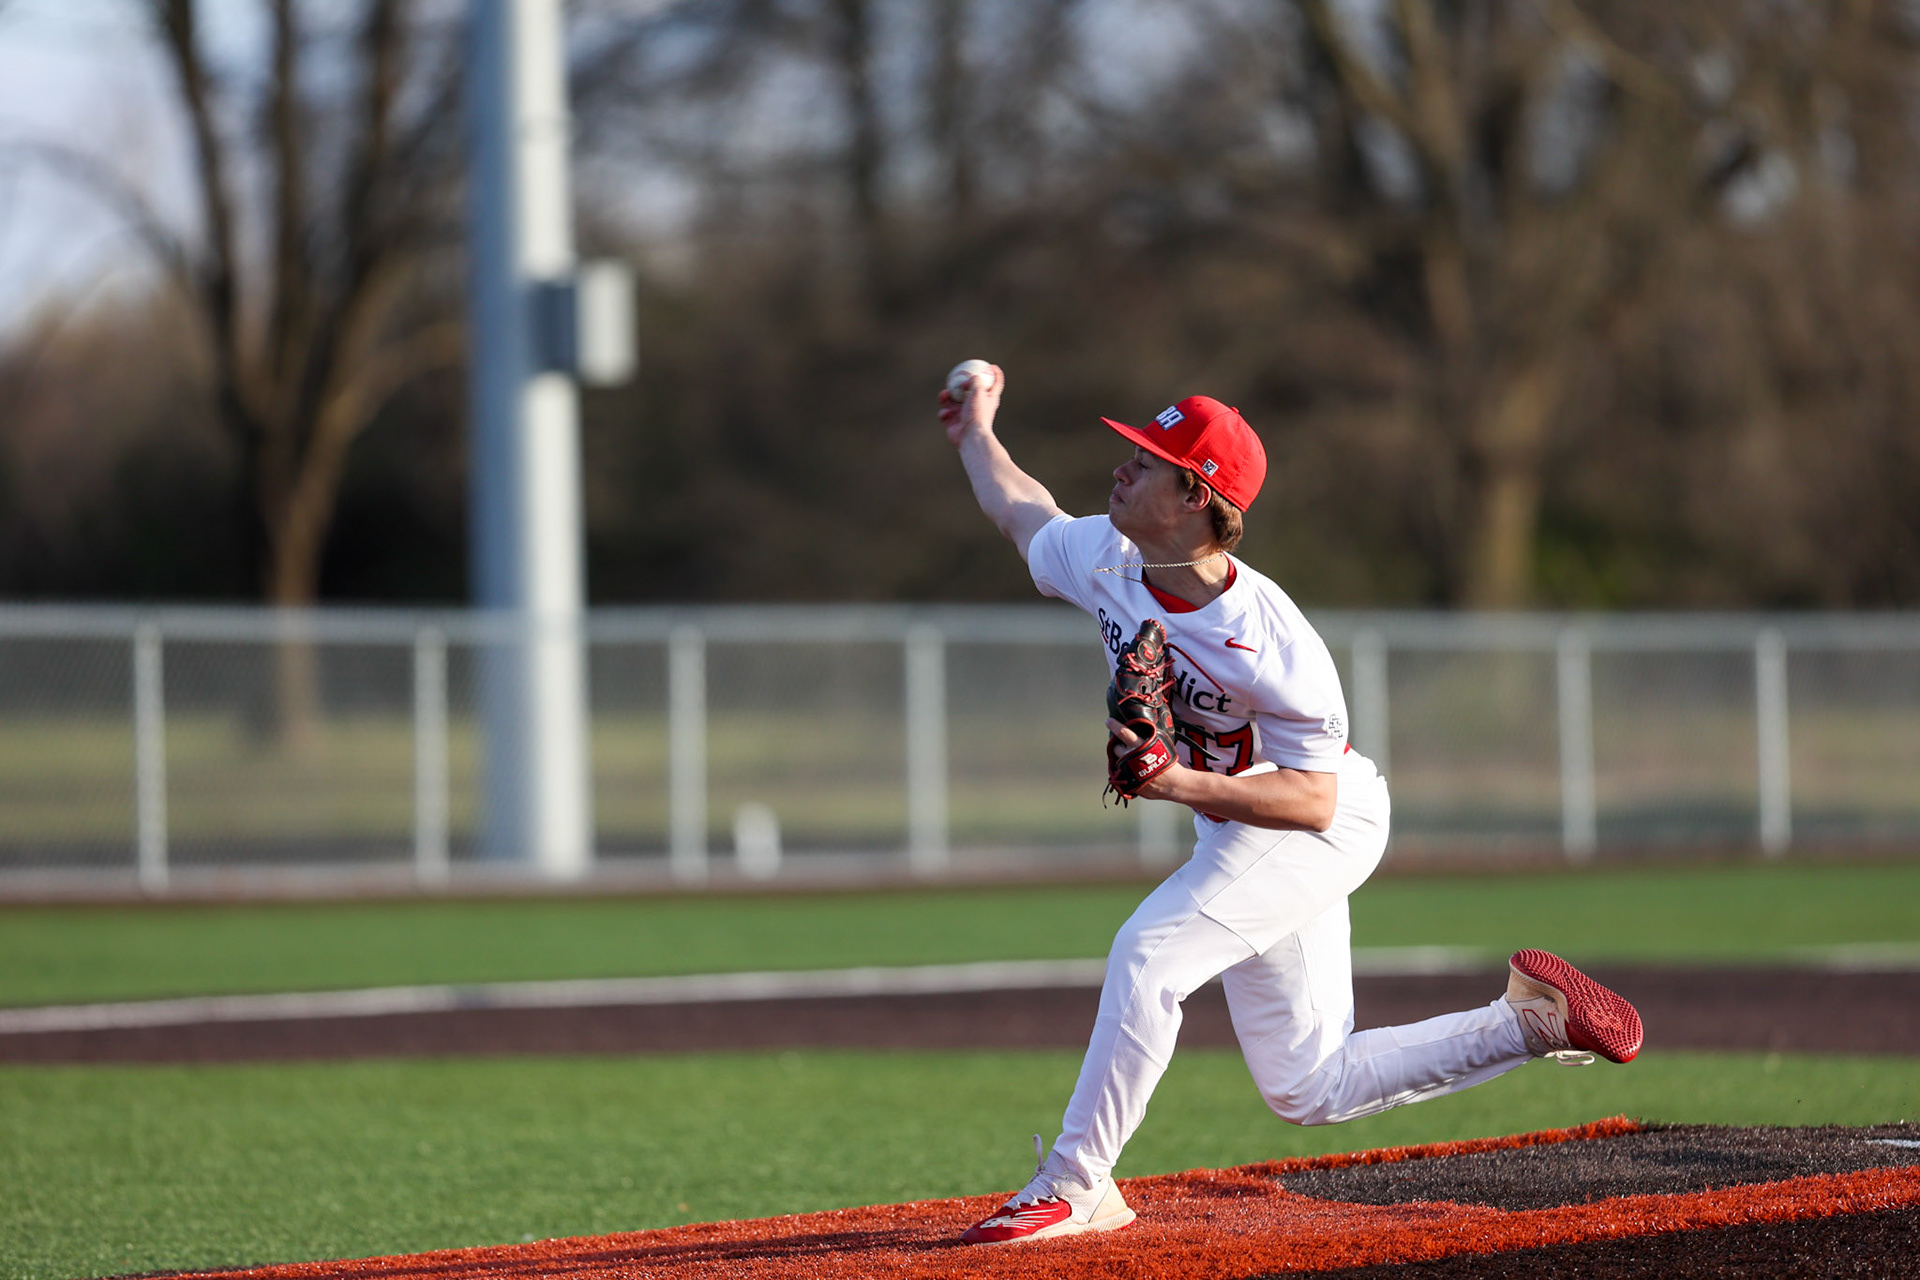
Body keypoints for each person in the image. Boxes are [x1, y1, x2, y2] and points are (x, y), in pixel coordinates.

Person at [936, 364, 1644, 1246]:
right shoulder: (1108, 556)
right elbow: (1021, 510)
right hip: (1244, 828)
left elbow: (1313, 800)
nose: (1121, 467)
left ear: (1195, 497)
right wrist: (976, 432)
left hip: (1320, 824)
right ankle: (1531, 1023)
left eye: (1146, 461)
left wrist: (1173, 782)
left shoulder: (1270, 638)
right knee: (1308, 1086)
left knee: (1149, 956)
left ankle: (1077, 1182)